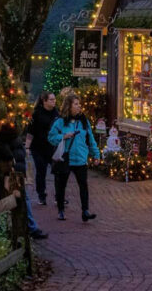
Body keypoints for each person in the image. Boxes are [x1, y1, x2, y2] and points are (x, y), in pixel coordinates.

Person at [48, 94, 100, 222]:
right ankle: (61, 210)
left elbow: (90, 139)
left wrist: (96, 154)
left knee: (83, 185)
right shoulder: (60, 122)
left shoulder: (84, 121)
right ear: (69, 106)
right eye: (76, 104)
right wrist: (63, 136)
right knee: (62, 185)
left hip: (81, 158)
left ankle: (85, 211)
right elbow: (51, 138)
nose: (79, 106)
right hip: (66, 158)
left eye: (79, 104)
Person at [0, 131, 48, 240]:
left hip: (17, 170)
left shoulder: (12, 129)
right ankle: (30, 228)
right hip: (12, 170)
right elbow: (1, 145)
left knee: (21, 198)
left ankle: (25, 227)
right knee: (22, 198)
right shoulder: (6, 130)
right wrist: (11, 159)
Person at [25, 91, 59, 205]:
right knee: (41, 171)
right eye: (51, 100)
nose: (54, 101)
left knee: (58, 171)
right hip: (38, 148)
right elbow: (31, 132)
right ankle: (41, 195)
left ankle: (59, 195)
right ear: (44, 101)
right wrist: (27, 148)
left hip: (53, 147)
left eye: (54, 99)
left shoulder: (57, 113)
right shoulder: (36, 114)